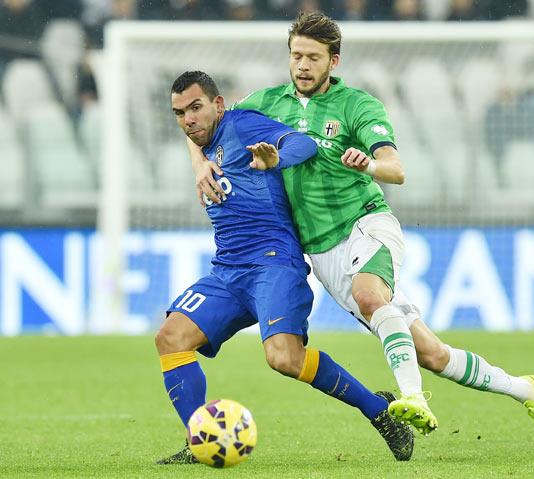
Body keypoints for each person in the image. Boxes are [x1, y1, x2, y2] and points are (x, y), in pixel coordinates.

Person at [188, 11, 534, 440]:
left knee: (370, 295)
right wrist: (200, 163)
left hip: (366, 223)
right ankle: (526, 389)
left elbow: (396, 168)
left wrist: (369, 163)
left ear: (334, 62)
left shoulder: (357, 105)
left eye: (313, 57)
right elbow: (199, 121)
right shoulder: (264, 103)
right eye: (296, 55)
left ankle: (414, 399)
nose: (302, 65)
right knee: (431, 352)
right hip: (320, 252)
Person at [156, 70, 413, 464]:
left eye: (195, 108)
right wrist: (196, 160)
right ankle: (200, 439)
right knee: (171, 337)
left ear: (219, 105)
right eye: (179, 113)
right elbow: (194, 130)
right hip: (228, 270)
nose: (188, 119)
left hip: (274, 263)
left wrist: (277, 158)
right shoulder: (204, 142)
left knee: (284, 358)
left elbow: (303, 144)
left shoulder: (241, 126)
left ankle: (378, 411)